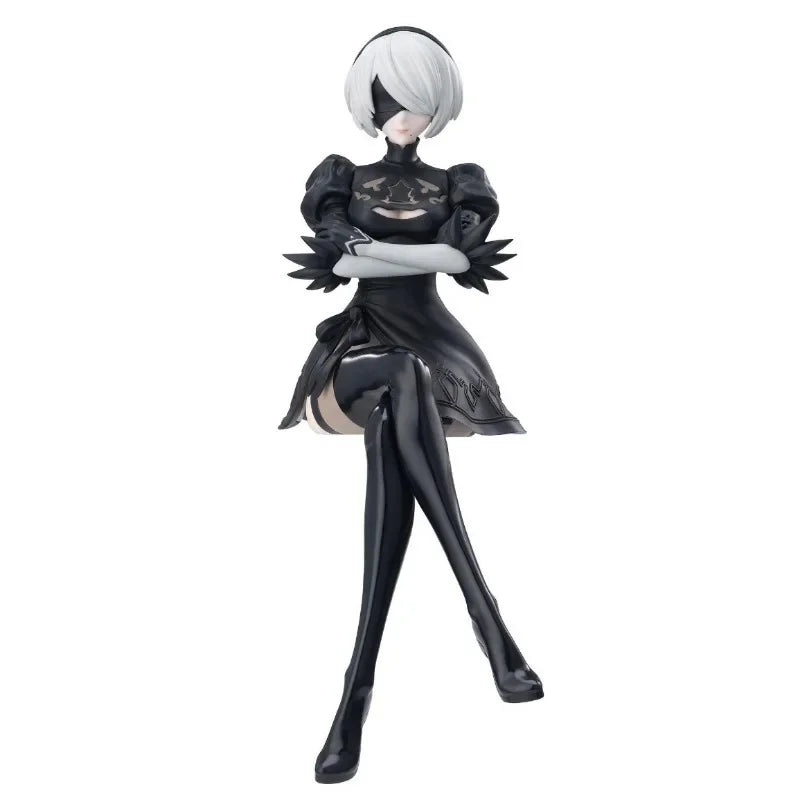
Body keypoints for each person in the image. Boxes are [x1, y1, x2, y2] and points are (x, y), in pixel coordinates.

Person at [279, 27, 543, 784]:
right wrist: (408, 255)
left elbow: (456, 259)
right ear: (369, 102)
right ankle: (487, 617)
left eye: (418, 101)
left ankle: (353, 696)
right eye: (391, 98)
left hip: (439, 357)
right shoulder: (342, 176)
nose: (405, 114)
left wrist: (378, 253)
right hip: (356, 357)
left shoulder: (461, 181)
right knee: (398, 373)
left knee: (403, 405)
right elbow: (342, 263)